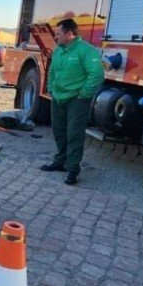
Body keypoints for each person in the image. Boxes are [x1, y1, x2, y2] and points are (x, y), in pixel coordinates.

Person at [40, 18, 104, 185]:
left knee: (74, 134)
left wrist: (84, 94)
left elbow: (96, 74)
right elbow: (52, 71)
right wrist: (51, 88)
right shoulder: (59, 51)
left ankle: (73, 169)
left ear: (70, 34)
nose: (56, 37)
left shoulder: (87, 51)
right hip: (58, 98)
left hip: (77, 100)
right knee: (59, 131)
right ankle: (60, 162)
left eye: (59, 33)